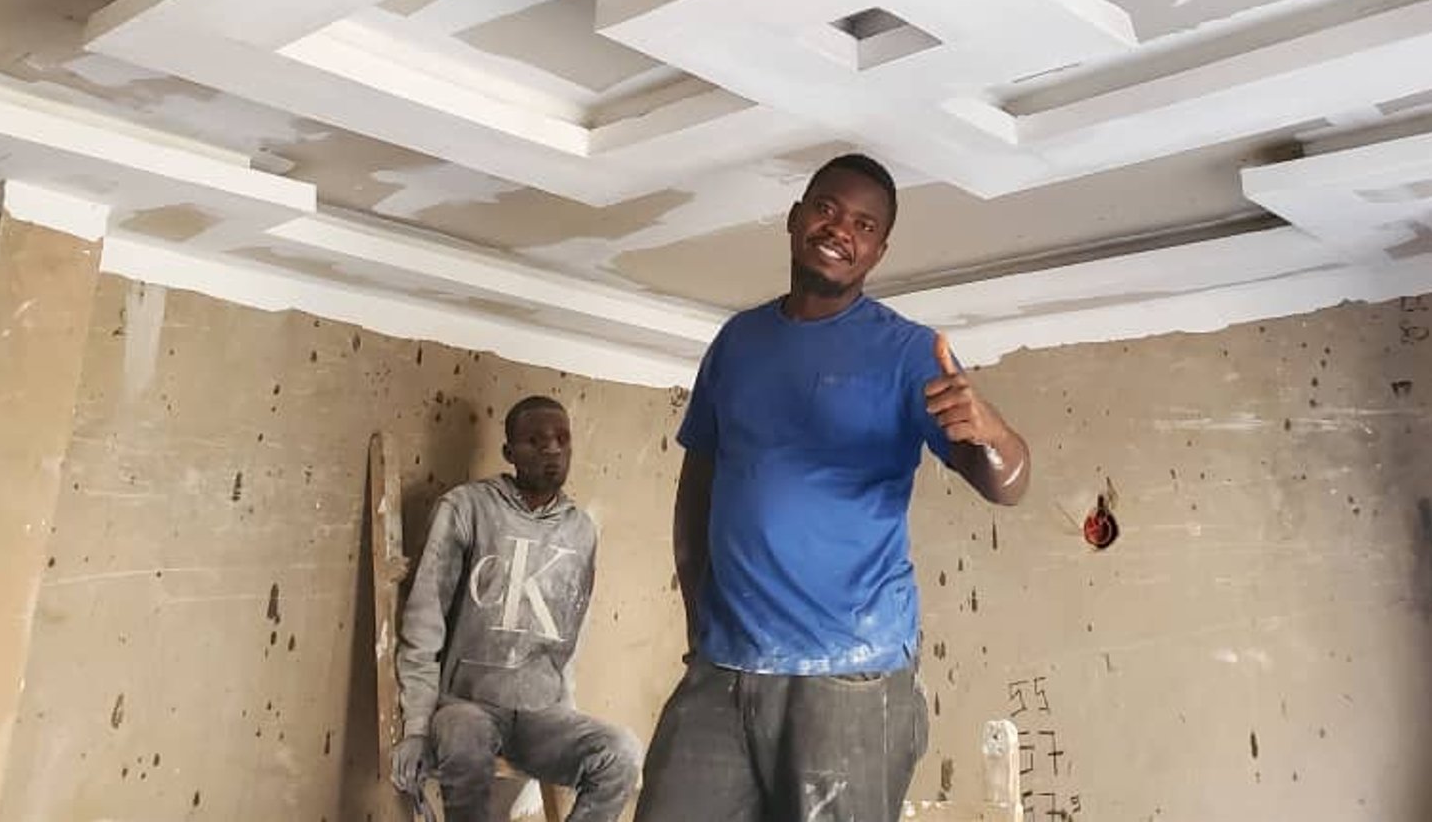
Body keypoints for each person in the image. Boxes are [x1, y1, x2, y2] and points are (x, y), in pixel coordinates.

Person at [634, 153, 1032, 822]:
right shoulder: (737, 342)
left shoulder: (907, 353)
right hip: (724, 669)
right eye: (826, 209)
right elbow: (697, 490)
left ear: (878, 249)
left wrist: (994, 435)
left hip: (850, 676)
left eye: (863, 224)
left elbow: (1006, 486)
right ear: (795, 220)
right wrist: (700, 625)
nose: (840, 228)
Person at [393, 396, 640, 822]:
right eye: (535, 440)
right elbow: (424, 622)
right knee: (462, 735)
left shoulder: (580, 530)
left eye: (562, 439)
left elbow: (570, 642)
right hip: (467, 705)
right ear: (509, 453)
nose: (552, 449)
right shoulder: (467, 508)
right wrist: (416, 727)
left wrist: (567, 713)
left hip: (541, 715)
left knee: (622, 752)